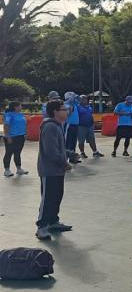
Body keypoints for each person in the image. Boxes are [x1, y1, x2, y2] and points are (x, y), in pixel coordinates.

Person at [35, 100, 72, 240]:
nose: (66, 111)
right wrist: (64, 163)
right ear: (56, 112)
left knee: (56, 196)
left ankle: (52, 222)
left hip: (57, 170)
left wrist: (69, 154)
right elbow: (51, 151)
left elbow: (58, 148)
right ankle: (42, 227)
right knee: (48, 198)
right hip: (49, 170)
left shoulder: (57, 126)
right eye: (64, 109)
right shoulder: (50, 127)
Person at [3, 101, 28, 177]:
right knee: (9, 153)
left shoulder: (21, 114)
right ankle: (7, 170)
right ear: (15, 107)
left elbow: (24, 124)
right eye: (20, 106)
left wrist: (25, 133)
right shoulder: (8, 115)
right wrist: (8, 136)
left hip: (20, 137)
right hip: (11, 137)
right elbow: (6, 125)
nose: (21, 107)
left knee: (17, 153)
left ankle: (19, 169)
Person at [63, 92, 81, 163]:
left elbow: (79, 100)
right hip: (69, 125)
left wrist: (75, 98)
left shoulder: (74, 104)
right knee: (67, 142)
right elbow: (68, 114)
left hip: (75, 125)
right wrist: (70, 104)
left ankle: (72, 158)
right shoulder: (65, 104)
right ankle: (65, 159)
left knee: (73, 142)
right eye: (72, 96)